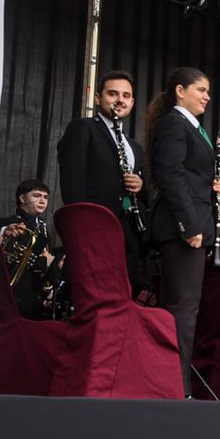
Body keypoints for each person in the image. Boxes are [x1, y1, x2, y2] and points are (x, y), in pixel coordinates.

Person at [145, 66, 220, 397]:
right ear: (180, 90)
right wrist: (189, 225)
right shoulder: (174, 124)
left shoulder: (190, 127)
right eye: (201, 90)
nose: (207, 96)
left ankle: (171, 382)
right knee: (182, 308)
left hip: (192, 225)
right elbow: (170, 175)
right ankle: (175, 386)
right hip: (183, 229)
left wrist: (212, 187)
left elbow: (189, 176)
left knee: (182, 307)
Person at [56, 70, 150, 299]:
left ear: (132, 102)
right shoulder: (83, 128)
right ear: (98, 98)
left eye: (126, 96)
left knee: (122, 299)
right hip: (94, 231)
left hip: (128, 235)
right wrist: (82, 229)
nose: (120, 99)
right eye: (113, 93)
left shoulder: (135, 147)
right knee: (91, 298)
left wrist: (141, 185)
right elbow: (72, 181)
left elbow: (148, 196)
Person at [0, 179, 57, 319]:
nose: (42, 201)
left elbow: (46, 262)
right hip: (11, 296)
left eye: (45, 197)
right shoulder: (6, 223)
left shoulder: (44, 230)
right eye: (36, 196)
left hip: (35, 297)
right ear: (22, 198)